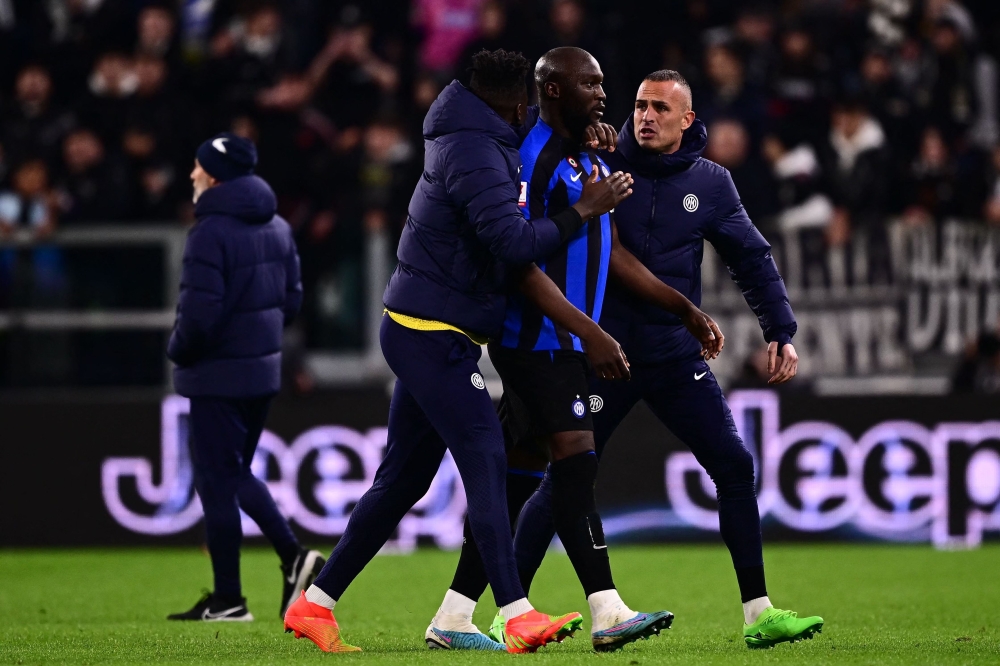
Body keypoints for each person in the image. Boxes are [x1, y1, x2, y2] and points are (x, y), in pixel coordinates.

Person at [283, 49, 633, 654]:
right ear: (517, 99)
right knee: (487, 457)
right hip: (430, 333)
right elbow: (510, 240)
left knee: (401, 481)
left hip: (430, 326)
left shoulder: (479, 131)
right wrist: (583, 210)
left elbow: (537, 142)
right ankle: (516, 611)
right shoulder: (474, 151)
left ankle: (315, 603)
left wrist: (588, 131)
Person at [506, 69, 825, 650]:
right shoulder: (596, 164)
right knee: (565, 481)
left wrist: (780, 328)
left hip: (676, 357)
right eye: (639, 105)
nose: (645, 116)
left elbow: (751, 259)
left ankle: (759, 613)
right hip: (607, 355)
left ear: (688, 121)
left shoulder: (713, 182)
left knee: (733, 467)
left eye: (659, 108)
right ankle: (514, 613)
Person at [427, 47, 724, 653]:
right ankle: (607, 610)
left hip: (564, 338)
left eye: (601, 80)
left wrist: (684, 309)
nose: (603, 93)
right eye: (589, 83)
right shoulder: (529, 158)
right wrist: (590, 333)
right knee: (576, 461)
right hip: (535, 338)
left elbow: (607, 250)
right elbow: (519, 260)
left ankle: (453, 615)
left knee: (517, 479)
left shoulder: (585, 155)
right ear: (552, 90)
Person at [166, 133, 325, 622]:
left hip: (217, 374)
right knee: (224, 479)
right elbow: (293, 301)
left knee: (225, 474)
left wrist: (178, 350)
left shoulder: (210, 232)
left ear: (213, 175)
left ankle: (293, 556)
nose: (192, 174)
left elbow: (199, 315)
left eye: (198, 166)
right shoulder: (277, 226)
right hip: (262, 369)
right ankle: (228, 598)